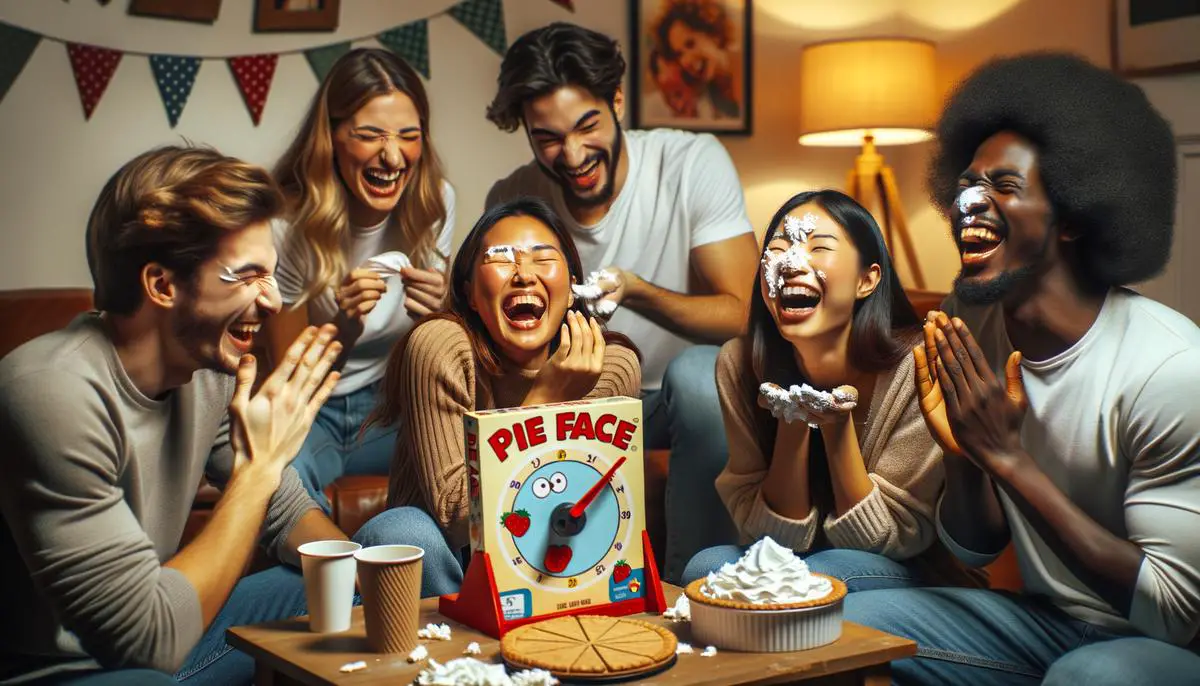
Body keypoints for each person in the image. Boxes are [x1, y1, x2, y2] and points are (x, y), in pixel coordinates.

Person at [842, 53, 1200, 685]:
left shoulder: (1169, 369)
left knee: (1089, 675)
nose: (969, 205)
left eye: (1004, 188)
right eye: (966, 187)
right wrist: (964, 458)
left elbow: (1173, 613)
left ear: (1073, 215)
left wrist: (1007, 458)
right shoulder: (970, 319)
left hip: (1157, 645)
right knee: (853, 626)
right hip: (1044, 622)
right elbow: (975, 548)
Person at [0, 146, 351, 685]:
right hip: (66, 672)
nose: (275, 300)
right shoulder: (48, 392)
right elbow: (148, 642)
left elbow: (285, 515)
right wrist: (259, 468)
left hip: (173, 640)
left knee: (379, 555)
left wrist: (362, 575)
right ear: (162, 285)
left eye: (272, 274)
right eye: (248, 275)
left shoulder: (207, 370)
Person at [484, 21, 760, 582]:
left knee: (701, 372)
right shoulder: (512, 198)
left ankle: (698, 588)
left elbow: (744, 314)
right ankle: (542, 594)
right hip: (573, 399)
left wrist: (636, 292)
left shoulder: (689, 164)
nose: (574, 154)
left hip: (675, 402)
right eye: (548, 139)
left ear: (616, 101)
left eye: (587, 126)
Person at [683, 190, 977, 591]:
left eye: (818, 246)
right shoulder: (739, 364)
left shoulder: (918, 368)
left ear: (867, 280)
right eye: (778, 247)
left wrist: (837, 429)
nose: (790, 261)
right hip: (797, 561)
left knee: (826, 575)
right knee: (705, 568)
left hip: (903, 573)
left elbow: (884, 541)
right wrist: (793, 419)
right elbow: (773, 542)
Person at [353, 197, 642, 596]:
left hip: (551, 574)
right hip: (443, 576)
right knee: (399, 530)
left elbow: (597, 518)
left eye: (543, 259)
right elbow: (456, 517)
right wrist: (547, 397)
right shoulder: (441, 345)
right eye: (501, 257)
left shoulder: (609, 366)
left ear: (573, 288)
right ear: (470, 293)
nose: (524, 274)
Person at [267, 48, 455, 509]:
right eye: (370, 135)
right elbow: (288, 382)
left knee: (466, 464)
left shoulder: (435, 204)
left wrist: (447, 312)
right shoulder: (286, 225)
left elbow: (439, 357)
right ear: (331, 137)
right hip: (316, 412)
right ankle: (321, 582)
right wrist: (343, 328)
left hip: (396, 406)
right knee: (278, 479)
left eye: (408, 136)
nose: (392, 157)